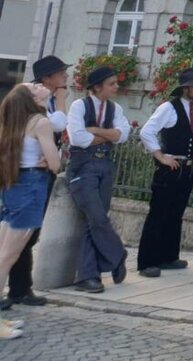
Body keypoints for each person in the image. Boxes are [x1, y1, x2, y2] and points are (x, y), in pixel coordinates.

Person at [2, 55, 69, 309]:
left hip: (25, 176)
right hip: (29, 177)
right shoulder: (35, 106)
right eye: (60, 72)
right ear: (46, 79)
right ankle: (18, 290)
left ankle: (20, 288)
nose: (65, 76)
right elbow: (56, 127)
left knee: (21, 240)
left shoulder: (32, 104)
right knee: (15, 245)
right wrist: (61, 101)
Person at [0, 84, 62, 340]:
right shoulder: (39, 122)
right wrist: (51, 159)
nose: (39, 86)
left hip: (12, 186)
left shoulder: (11, 123)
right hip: (30, 187)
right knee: (6, 258)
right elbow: (56, 164)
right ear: (32, 99)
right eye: (33, 86)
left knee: (3, 255)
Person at [136, 67, 193, 278]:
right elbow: (146, 132)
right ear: (186, 88)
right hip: (171, 167)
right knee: (158, 213)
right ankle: (147, 261)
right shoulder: (169, 108)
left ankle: (168, 256)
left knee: (176, 214)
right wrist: (160, 156)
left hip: (188, 168)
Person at [66, 66, 130, 293]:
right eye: (111, 83)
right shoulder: (79, 106)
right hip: (83, 166)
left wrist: (95, 130)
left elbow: (123, 135)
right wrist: (107, 135)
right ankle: (117, 254)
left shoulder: (115, 108)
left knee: (94, 221)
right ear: (97, 86)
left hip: (105, 165)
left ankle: (88, 276)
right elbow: (77, 138)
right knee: (96, 217)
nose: (116, 87)